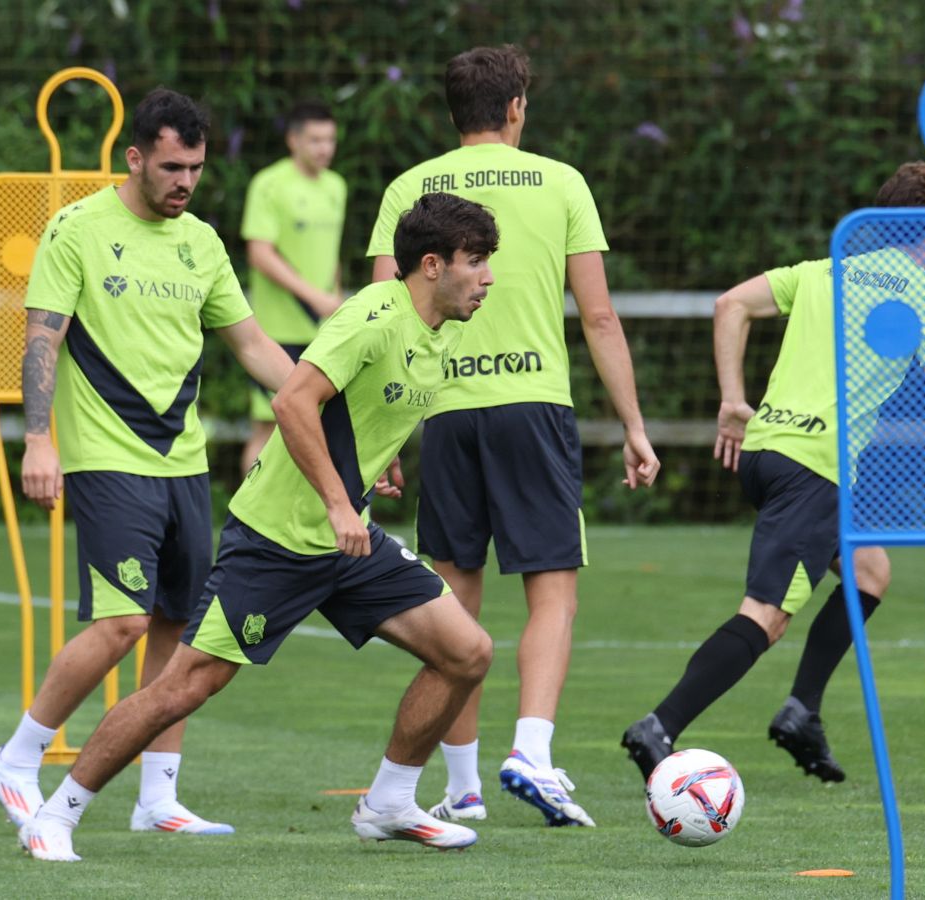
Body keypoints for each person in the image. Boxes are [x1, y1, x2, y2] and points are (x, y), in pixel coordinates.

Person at [15, 192, 500, 862]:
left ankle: (389, 801)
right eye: (475, 262)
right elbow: (292, 401)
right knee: (186, 686)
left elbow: (352, 415)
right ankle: (55, 814)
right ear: (430, 265)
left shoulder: (442, 331)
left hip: (347, 541)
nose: (488, 277)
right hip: (277, 541)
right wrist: (336, 501)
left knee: (467, 652)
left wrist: (365, 474)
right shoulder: (370, 317)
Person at [0, 88, 296, 837]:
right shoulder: (77, 228)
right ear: (135, 157)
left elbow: (252, 346)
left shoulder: (203, 243)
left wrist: (322, 416)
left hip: (182, 461)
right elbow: (41, 339)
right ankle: (17, 758)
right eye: (172, 167)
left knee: (181, 627)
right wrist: (37, 438)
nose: (185, 182)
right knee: (121, 622)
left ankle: (158, 798)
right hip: (106, 457)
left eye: (197, 168)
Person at [366, 44, 660, 827]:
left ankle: (461, 786)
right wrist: (633, 424)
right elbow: (597, 315)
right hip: (534, 407)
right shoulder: (562, 182)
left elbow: (381, 319)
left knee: (454, 605)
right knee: (552, 592)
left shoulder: (410, 187)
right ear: (518, 106)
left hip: (444, 413)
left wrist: (383, 438)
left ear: (452, 110)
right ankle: (531, 750)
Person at [621, 161, 925, 784]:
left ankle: (802, 710)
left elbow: (730, 305)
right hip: (817, 470)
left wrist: (732, 401)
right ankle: (661, 725)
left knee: (869, 569)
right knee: (767, 615)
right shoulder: (922, 296)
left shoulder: (823, 270)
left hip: (765, 452)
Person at [239, 100, 348, 475]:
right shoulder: (269, 184)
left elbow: (328, 254)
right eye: (315, 139)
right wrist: (314, 297)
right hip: (275, 332)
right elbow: (260, 253)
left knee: (327, 428)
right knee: (269, 429)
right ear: (293, 140)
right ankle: (246, 527)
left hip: (322, 334)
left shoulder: (336, 186)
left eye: (330, 139)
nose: (324, 148)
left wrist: (333, 295)